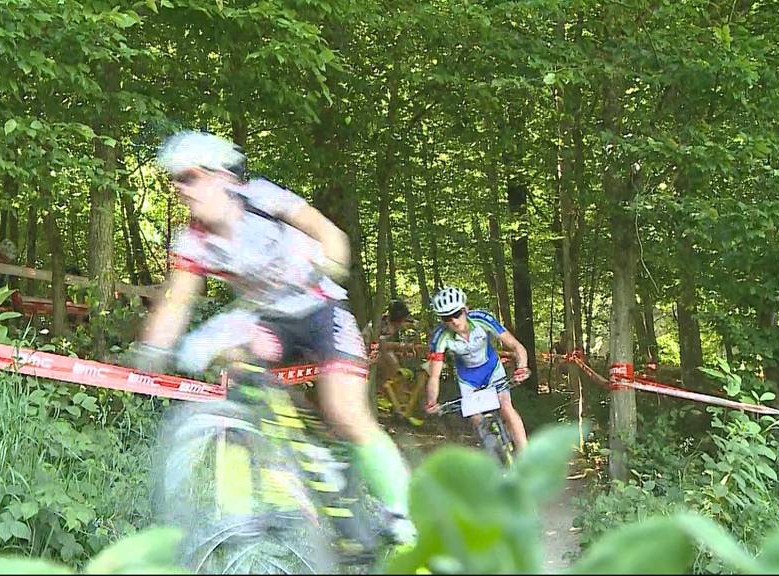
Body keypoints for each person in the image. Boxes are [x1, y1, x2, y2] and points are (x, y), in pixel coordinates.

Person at [126, 130, 415, 542]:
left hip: (319, 306)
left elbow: (334, 237)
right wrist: (150, 355)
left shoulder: (263, 199)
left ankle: (403, 512)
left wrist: (326, 262)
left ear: (220, 175)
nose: (179, 189)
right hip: (269, 320)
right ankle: (256, 503)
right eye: (173, 181)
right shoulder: (192, 241)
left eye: (188, 178)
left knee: (344, 410)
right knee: (234, 375)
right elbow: (176, 304)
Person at [423, 286, 531, 451]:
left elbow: (516, 346)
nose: (453, 320)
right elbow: (434, 376)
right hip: (468, 379)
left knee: (506, 407)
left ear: (465, 310)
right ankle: (496, 456)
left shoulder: (483, 319)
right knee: (476, 419)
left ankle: (526, 456)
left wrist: (522, 368)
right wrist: (432, 401)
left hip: (492, 370)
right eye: (446, 317)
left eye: (457, 314)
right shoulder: (440, 337)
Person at [363, 300, 426, 418]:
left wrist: (403, 351)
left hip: (376, 351)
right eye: (404, 320)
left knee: (395, 360)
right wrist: (404, 347)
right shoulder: (381, 325)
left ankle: (397, 398)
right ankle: (380, 395)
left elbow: (387, 346)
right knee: (390, 362)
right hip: (365, 352)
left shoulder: (392, 324)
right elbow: (382, 346)